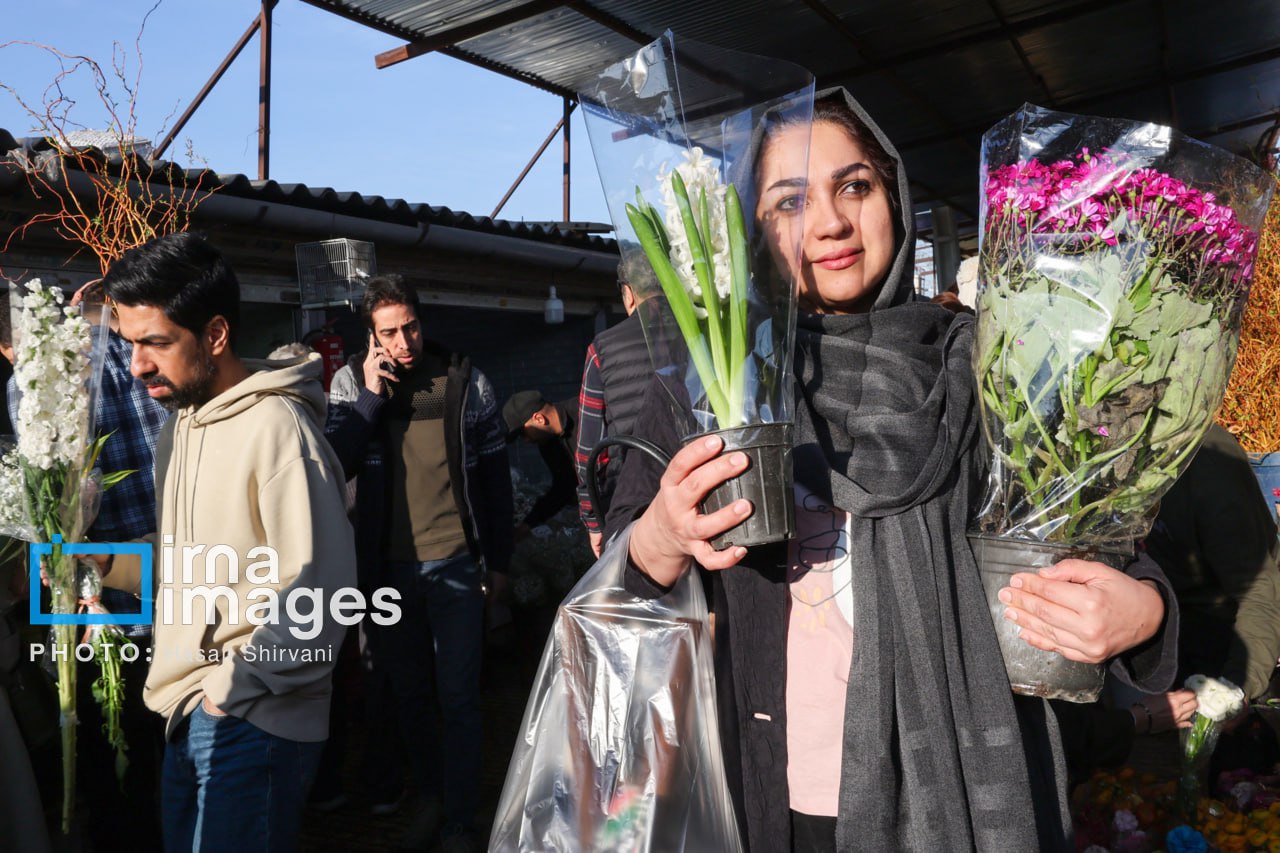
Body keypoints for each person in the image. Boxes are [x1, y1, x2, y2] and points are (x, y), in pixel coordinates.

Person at [607, 89, 1176, 852]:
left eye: (853, 186)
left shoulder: (986, 365)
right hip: (766, 796)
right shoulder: (711, 386)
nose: (831, 222)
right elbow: (622, 578)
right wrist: (662, 535)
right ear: (756, 230)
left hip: (963, 793)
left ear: (893, 196)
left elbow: (1110, 550)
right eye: (790, 201)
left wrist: (1144, 612)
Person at [98, 232, 357, 852]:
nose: (137, 365)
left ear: (214, 335)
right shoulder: (180, 427)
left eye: (155, 343)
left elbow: (323, 594)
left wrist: (229, 691)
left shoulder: (277, 429)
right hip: (188, 711)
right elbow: (198, 562)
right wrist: (101, 565)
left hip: (253, 716)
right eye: (131, 344)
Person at [325, 273, 512, 852]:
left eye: (410, 326)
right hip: (386, 570)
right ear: (371, 336)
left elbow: (493, 476)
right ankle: (430, 796)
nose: (404, 341)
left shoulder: (463, 378)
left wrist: (500, 563)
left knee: (458, 695)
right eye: (390, 332)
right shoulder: (346, 384)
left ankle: (459, 817)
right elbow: (336, 464)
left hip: (456, 563)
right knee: (409, 696)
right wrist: (370, 396)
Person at [574, 260, 653, 556]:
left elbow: (589, 453)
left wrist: (594, 522)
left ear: (629, 294)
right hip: (705, 495)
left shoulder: (603, 349)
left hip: (635, 503)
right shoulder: (703, 335)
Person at [502, 390, 578, 535]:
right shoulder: (547, 444)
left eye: (523, 433)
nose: (526, 440)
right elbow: (563, 487)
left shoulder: (585, 412)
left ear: (539, 419)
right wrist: (528, 524)